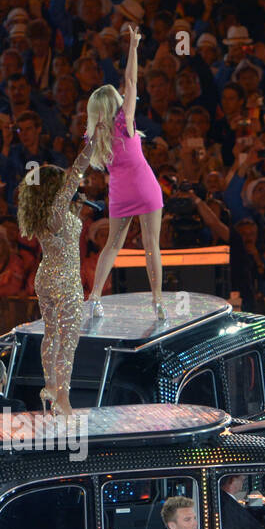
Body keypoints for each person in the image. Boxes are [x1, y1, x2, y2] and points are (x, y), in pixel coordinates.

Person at [84, 24, 168, 321]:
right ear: (115, 105)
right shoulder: (125, 122)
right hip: (144, 186)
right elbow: (132, 81)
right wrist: (133, 46)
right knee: (150, 244)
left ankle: (94, 297)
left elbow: (80, 168)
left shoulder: (95, 135)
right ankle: (157, 301)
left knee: (113, 244)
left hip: (119, 191)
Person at [16, 147, 93, 415]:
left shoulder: (44, 214)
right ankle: (63, 397)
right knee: (68, 341)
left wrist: (78, 211)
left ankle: (50, 385)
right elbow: (78, 168)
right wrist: (92, 140)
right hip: (65, 280)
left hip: (46, 277)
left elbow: (65, 236)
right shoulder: (58, 208)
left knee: (51, 334)